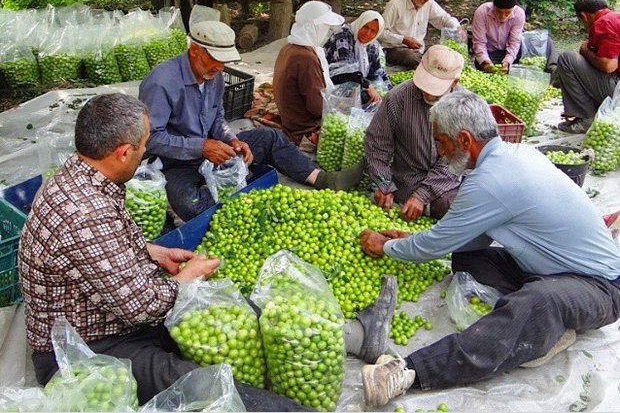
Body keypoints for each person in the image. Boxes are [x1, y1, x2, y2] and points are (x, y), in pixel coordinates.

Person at [18, 93, 396, 410]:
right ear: (121, 152)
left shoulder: (81, 179)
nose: (147, 149)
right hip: (92, 347)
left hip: (118, 315)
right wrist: (189, 276)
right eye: (144, 144)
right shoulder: (85, 213)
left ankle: (360, 338)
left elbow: (95, 252)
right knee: (208, 386)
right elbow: (144, 305)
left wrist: (152, 252)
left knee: (251, 316)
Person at [358, 90, 620, 407]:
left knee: (539, 301)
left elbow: (433, 245)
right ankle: (541, 329)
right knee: (468, 258)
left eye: (441, 142)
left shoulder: (491, 180)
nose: (439, 152)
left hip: (601, 287)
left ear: (465, 140)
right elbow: (463, 239)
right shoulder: (514, 154)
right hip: (551, 271)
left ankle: (410, 372)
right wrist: (408, 241)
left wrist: (387, 247)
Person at [139, 19, 362, 222]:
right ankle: (224, 194)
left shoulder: (214, 76)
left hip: (215, 150)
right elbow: (151, 139)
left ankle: (321, 178)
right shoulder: (161, 83)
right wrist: (202, 147)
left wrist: (231, 138)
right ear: (195, 51)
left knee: (270, 137)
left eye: (223, 62)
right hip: (177, 162)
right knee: (189, 203)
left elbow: (217, 117)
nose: (219, 68)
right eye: (215, 60)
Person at [365, 44, 465, 220]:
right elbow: (377, 144)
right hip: (408, 179)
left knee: (456, 207)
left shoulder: (463, 107)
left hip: (446, 182)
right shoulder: (399, 97)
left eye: (435, 87)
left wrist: (422, 196)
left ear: (454, 82)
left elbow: (454, 161)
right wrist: (384, 183)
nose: (428, 91)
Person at [272, 1, 345, 146]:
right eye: (325, 28)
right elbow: (317, 107)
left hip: (291, 120)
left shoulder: (288, 48)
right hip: (304, 128)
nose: (327, 32)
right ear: (315, 28)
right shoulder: (306, 58)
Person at [556, 0, 620, 134]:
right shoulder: (616, 18)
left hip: (618, 94)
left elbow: (609, 65)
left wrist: (585, 50)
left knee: (567, 59)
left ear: (584, 16)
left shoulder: (604, 23)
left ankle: (586, 119)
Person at [473, 0, 557, 75]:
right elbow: (479, 42)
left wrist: (508, 61)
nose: (503, 16)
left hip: (513, 51)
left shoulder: (519, 13)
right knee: (480, 62)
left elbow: (514, 42)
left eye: (507, 12)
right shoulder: (482, 12)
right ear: (494, 7)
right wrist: (485, 62)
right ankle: (511, 68)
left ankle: (553, 70)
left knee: (546, 41)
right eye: (499, 12)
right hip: (492, 52)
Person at [381, 0, 464, 68]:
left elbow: (444, 19)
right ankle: (430, 68)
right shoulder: (395, 5)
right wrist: (403, 39)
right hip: (394, 49)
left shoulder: (428, 3)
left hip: (419, 49)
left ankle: (431, 65)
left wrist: (457, 28)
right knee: (410, 56)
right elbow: (381, 33)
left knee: (439, 51)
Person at [324, 10, 392, 105]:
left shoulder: (372, 45)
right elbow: (346, 72)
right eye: (365, 27)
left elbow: (378, 73)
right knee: (365, 98)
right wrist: (369, 87)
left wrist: (389, 91)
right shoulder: (342, 36)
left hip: (359, 82)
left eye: (373, 31)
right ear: (360, 23)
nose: (367, 33)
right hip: (336, 82)